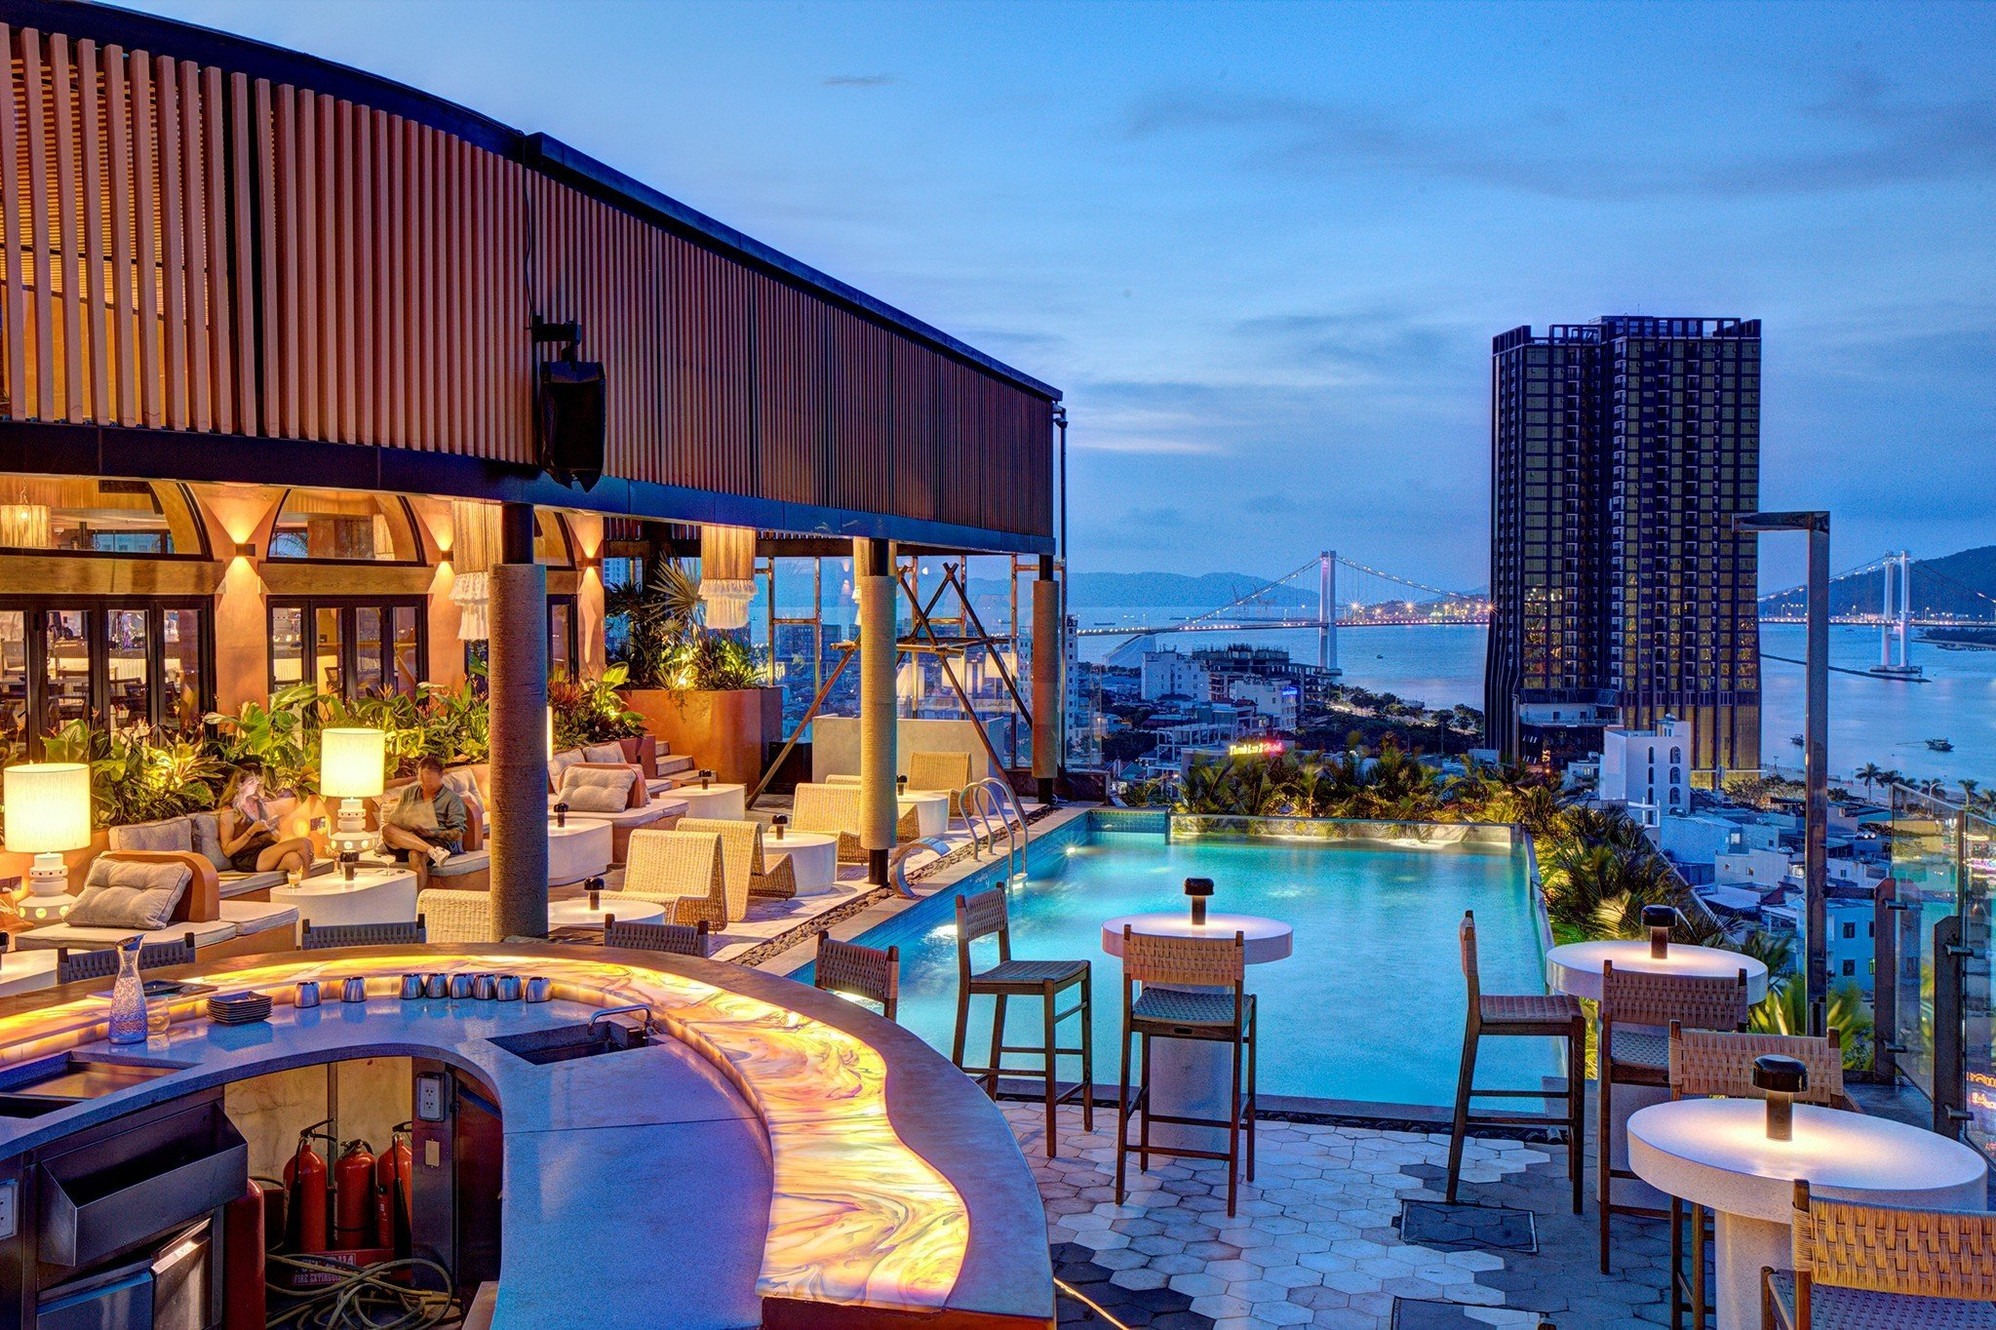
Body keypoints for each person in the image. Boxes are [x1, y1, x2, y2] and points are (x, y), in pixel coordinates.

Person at [216, 760, 315, 877]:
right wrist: (252, 830)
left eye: (257, 782)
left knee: (294, 859)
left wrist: (273, 831)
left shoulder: (259, 804)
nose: (256, 785)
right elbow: (228, 851)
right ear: (239, 785)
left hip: (266, 851)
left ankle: (298, 893)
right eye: (252, 782)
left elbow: (275, 837)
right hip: (248, 858)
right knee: (304, 842)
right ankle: (309, 886)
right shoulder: (229, 811)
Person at [378, 756, 468, 883]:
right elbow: (394, 819)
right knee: (387, 829)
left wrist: (433, 833)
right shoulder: (408, 792)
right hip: (406, 839)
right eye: (422, 781)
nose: (426, 786)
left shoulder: (452, 799)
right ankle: (433, 852)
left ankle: (418, 900)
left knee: (415, 855)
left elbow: (458, 834)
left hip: (435, 840)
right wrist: (406, 822)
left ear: (441, 775)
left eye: (430, 782)